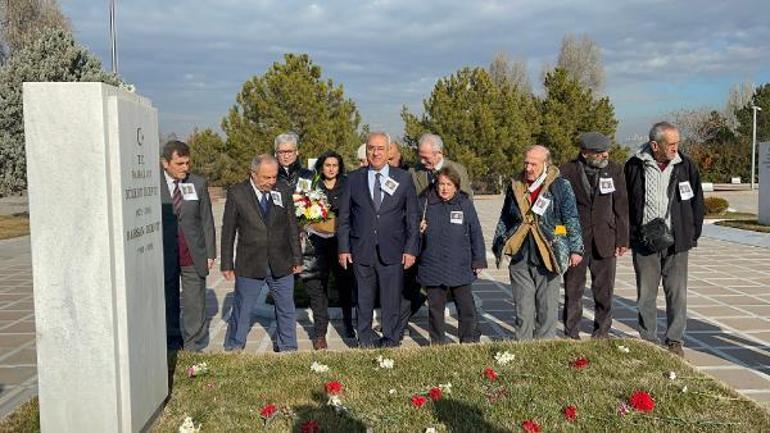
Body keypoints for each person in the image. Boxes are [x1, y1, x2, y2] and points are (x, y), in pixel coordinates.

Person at [625, 121, 704, 357]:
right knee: (646, 294)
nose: (675, 148)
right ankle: (648, 338)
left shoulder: (685, 166)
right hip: (645, 242)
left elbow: (697, 202)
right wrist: (630, 235)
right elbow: (625, 203)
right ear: (654, 145)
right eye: (671, 144)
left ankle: (674, 340)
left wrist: (691, 233)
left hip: (677, 242)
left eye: (677, 143)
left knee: (676, 293)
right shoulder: (634, 166)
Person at [492, 145, 583, 340]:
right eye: (526, 163)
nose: (528, 168)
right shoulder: (516, 185)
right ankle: (523, 347)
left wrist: (575, 248)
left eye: (533, 164)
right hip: (521, 254)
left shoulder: (560, 186)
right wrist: (499, 244)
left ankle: (544, 349)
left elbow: (571, 219)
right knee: (523, 308)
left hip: (549, 253)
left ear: (545, 164)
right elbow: (505, 217)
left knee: (547, 308)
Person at [337, 132, 419, 348]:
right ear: (366, 151)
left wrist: (411, 249)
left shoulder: (402, 178)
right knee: (363, 298)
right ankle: (364, 339)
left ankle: (390, 339)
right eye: (371, 148)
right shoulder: (353, 179)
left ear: (388, 150)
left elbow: (412, 216)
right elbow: (344, 217)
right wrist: (343, 248)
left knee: (391, 299)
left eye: (380, 148)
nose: (375, 152)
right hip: (361, 249)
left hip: (393, 249)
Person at [220, 154, 302, 352]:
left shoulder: (282, 190)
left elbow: (292, 226)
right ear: (253, 174)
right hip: (250, 262)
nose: (271, 182)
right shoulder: (237, 193)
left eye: (274, 177)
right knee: (243, 308)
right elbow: (228, 230)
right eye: (266, 178)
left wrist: (297, 257)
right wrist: (226, 264)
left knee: (286, 308)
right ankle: (234, 346)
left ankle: (288, 346)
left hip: (281, 261)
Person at [560, 132, 629, 339]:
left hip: (605, 239)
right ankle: (571, 333)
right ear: (585, 153)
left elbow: (622, 206)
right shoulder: (567, 171)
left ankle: (602, 332)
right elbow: (559, 210)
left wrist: (623, 239)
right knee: (573, 290)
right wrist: (563, 240)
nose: (605, 155)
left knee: (604, 291)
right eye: (599, 153)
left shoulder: (615, 170)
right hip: (576, 242)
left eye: (606, 151)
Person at [418, 166, 486, 344]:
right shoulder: (424, 203)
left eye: (449, 184)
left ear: (456, 186)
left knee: (466, 306)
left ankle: (468, 339)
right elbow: (410, 233)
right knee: (435, 309)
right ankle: (438, 343)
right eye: (441, 184)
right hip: (432, 265)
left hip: (460, 265)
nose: (444, 188)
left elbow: (475, 233)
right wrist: (419, 230)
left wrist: (478, 260)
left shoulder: (464, 204)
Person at [160, 140, 216, 352]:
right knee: (169, 299)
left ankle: (194, 344)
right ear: (165, 163)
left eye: (187, 163)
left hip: (192, 253)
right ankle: (172, 341)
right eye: (180, 163)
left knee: (195, 302)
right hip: (165, 254)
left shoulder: (198, 183)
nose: (186, 168)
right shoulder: (151, 184)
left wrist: (210, 252)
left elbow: (207, 220)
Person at [300, 150, 357, 349]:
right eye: (327, 165)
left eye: (335, 165)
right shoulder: (313, 185)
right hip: (317, 243)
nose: (331, 169)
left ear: (339, 167)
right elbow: (302, 209)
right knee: (318, 289)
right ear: (321, 166)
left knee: (345, 286)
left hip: (341, 243)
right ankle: (319, 333)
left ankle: (349, 324)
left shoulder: (348, 184)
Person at [410, 133, 472, 197]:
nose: (422, 161)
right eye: (420, 157)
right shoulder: (413, 172)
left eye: (426, 158)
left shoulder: (459, 171)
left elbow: (467, 201)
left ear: (439, 153)